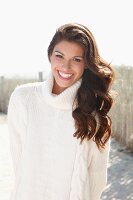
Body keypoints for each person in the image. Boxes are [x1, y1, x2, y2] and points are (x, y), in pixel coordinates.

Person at [7, 23, 115, 200]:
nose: (66, 66)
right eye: (60, 56)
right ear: (50, 55)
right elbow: (19, 163)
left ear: (87, 65)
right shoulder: (23, 99)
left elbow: (97, 179)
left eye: (77, 59)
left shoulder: (94, 116)